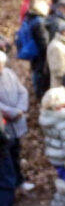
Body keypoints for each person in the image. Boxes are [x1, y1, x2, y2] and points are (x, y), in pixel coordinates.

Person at [0, 51, 32, 191]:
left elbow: (22, 91)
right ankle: (10, 187)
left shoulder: (9, 73)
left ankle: (19, 181)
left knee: (16, 152)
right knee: (7, 156)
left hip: (17, 121)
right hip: (4, 125)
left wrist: (20, 108)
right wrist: (12, 112)